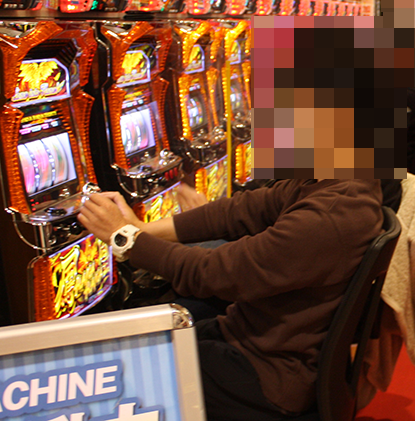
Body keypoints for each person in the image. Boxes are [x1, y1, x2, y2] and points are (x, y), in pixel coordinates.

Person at [79, 179, 383, 420]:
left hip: (267, 373)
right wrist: (143, 230)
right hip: (253, 339)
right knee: (135, 342)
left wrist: (125, 238)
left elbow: (214, 274)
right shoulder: (339, 183)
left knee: (104, 376)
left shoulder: (331, 213)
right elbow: (240, 210)